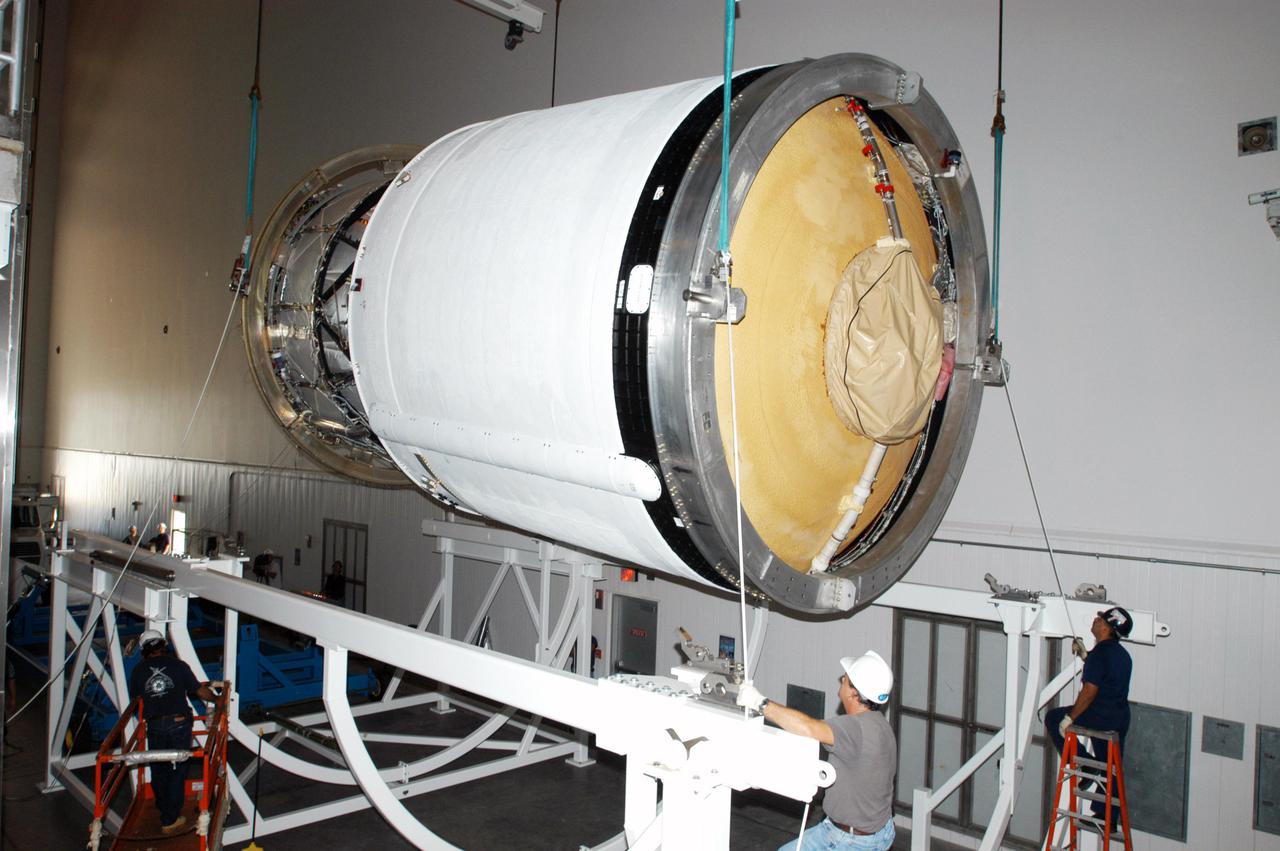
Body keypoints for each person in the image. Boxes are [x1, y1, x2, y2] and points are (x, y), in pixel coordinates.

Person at [737, 651, 897, 851]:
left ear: (853, 693)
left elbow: (808, 727)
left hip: (850, 840)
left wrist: (759, 702)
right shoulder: (880, 724)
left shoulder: (855, 729)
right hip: (880, 831)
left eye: (845, 679)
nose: (841, 679)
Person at [1045, 606, 1133, 820]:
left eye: (1100, 618)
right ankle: (1107, 817)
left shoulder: (1100, 655)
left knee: (1053, 717)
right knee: (1109, 766)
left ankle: (1082, 761)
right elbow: (1106, 672)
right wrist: (1086, 655)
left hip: (1099, 715)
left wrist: (1070, 718)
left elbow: (1090, 690)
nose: (1095, 619)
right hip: (1119, 717)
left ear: (1105, 627)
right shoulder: (1122, 655)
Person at [128, 630, 216, 834]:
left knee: (159, 769)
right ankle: (170, 819)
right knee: (177, 770)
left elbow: (136, 699)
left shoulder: (138, 671)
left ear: (144, 650)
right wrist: (218, 701)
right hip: (179, 725)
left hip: (155, 726)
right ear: (163, 645)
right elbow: (199, 691)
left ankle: (164, 806)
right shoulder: (178, 666)